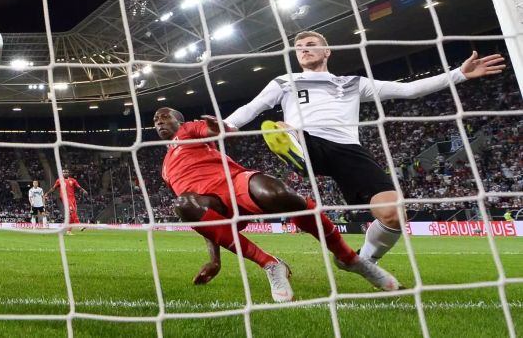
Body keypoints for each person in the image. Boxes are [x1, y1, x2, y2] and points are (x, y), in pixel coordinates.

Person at [223, 30, 505, 265]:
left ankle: (364, 260)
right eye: (299, 48)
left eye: (310, 46)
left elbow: (408, 90)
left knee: (394, 213)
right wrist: (220, 129)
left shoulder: (353, 84)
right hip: (308, 140)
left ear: (327, 51)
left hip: (349, 152)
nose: (304, 51)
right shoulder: (285, 82)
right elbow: (252, 108)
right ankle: (298, 155)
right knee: (280, 127)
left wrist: (459, 75)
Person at [154, 107, 400, 303]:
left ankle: (350, 259)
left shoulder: (187, 131)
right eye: (155, 120)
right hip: (215, 204)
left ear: (178, 121)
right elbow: (204, 222)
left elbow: (213, 132)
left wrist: (216, 127)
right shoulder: (165, 169)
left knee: (279, 194)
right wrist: (215, 260)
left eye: (164, 117)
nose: (158, 122)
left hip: (235, 183)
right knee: (183, 204)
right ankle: (271, 264)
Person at [45, 169, 89, 234]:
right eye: (64, 172)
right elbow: (53, 188)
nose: (65, 173)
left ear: (69, 173)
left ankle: (68, 230)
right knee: (73, 211)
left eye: (67, 172)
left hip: (72, 198)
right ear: (62, 173)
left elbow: (78, 187)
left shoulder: (73, 180)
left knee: (71, 215)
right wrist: (47, 193)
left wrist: (84, 190)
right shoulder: (59, 180)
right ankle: (79, 225)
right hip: (65, 198)